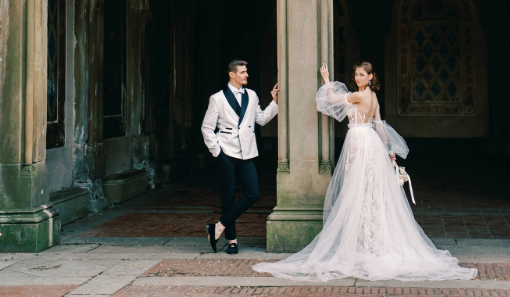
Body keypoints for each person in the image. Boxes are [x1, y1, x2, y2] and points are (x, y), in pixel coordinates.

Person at [253, 61, 477, 282]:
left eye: (361, 75)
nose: (357, 78)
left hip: (360, 142)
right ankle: (368, 241)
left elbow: (331, 100)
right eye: (356, 75)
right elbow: (379, 124)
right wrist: (390, 151)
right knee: (368, 192)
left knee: (360, 190)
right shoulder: (373, 97)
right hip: (370, 142)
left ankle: (365, 243)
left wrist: (326, 80)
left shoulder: (361, 95)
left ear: (371, 77)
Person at [202, 59, 279, 254]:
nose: (247, 75)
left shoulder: (251, 95)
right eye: (243, 72)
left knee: (253, 193)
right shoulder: (217, 98)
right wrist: (216, 151)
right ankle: (232, 240)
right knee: (228, 197)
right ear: (232, 74)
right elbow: (207, 128)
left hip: (247, 152)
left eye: (246, 71)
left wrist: (274, 103)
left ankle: (218, 226)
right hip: (225, 151)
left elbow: (260, 119)